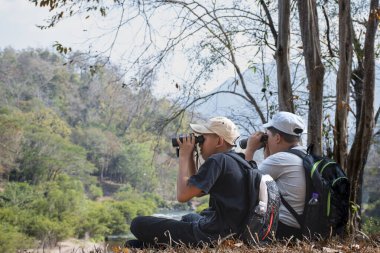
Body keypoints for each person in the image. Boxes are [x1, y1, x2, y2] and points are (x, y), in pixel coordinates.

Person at [126, 116, 255, 248]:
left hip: (212, 235)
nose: (199, 143)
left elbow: (183, 195)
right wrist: (191, 157)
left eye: (203, 138)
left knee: (137, 223)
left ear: (219, 141)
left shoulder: (218, 160)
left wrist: (183, 156)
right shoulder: (238, 161)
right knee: (189, 217)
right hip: (230, 231)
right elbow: (196, 191)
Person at [244, 111, 306, 240]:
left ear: (277, 138)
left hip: (284, 231)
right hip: (305, 229)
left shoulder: (280, 159)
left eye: (268, 136)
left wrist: (250, 150)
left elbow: (245, 184)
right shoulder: (306, 155)